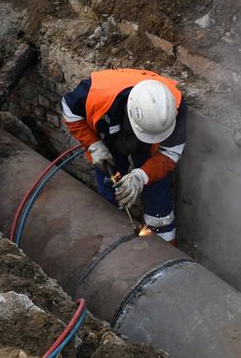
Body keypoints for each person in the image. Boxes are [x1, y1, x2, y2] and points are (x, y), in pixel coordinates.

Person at [60, 68, 185, 243]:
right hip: (113, 126)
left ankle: (165, 247)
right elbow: (69, 109)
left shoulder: (173, 107)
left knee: (157, 190)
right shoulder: (97, 95)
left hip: (152, 146)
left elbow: (169, 154)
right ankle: (109, 239)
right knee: (111, 180)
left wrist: (141, 176)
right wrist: (93, 144)